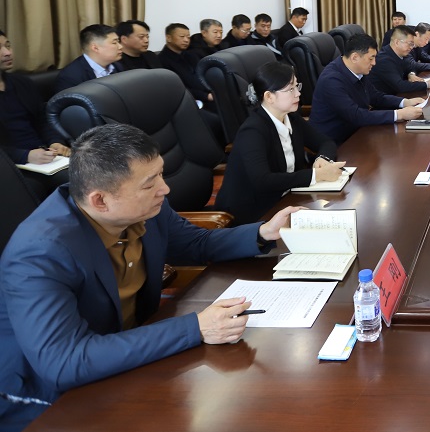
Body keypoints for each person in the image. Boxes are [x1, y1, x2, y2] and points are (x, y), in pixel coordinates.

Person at [0, 123, 303, 430]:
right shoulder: (40, 253)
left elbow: (195, 243)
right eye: (149, 184)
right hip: (48, 399)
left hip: (127, 358)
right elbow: (64, 362)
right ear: (100, 200)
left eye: (160, 174)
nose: (165, 189)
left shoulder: (144, 210)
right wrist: (196, 327)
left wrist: (263, 233)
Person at [216, 62, 344, 225]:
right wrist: (316, 175)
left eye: (297, 86)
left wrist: (322, 159)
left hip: (286, 199)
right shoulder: (252, 131)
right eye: (290, 89)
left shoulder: (291, 117)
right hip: (252, 214)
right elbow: (262, 181)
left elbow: (325, 142)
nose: (298, 93)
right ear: (269, 97)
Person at [309, 33, 424, 143]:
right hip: (336, 141)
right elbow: (356, 115)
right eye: (371, 58)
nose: (374, 63)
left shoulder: (357, 70)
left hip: (357, 132)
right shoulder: (331, 80)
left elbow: (375, 96)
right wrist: (399, 114)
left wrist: (405, 102)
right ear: (354, 57)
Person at [0, 31, 71, 200]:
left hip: (44, 156)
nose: (7, 52)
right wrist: (25, 156)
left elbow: (42, 120)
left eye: (8, 46)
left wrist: (55, 141)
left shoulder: (22, 83)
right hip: (10, 164)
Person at [368, 25, 430, 95]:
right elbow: (400, 86)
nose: (411, 47)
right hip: (384, 98)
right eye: (410, 44)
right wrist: (427, 84)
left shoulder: (399, 53)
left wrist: (411, 74)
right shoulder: (384, 59)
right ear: (397, 42)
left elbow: (409, 67)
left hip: (396, 94)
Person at [54, 24, 124, 94]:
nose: (120, 46)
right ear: (95, 48)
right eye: (114, 43)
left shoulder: (117, 66)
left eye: (118, 42)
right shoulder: (71, 77)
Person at [158, 23, 211, 105]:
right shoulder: (161, 61)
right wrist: (206, 96)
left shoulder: (190, 54)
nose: (186, 40)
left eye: (188, 37)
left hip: (208, 93)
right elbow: (176, 88)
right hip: (188, 101)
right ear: (169, 38)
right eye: (182, 36)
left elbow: (202, 75)